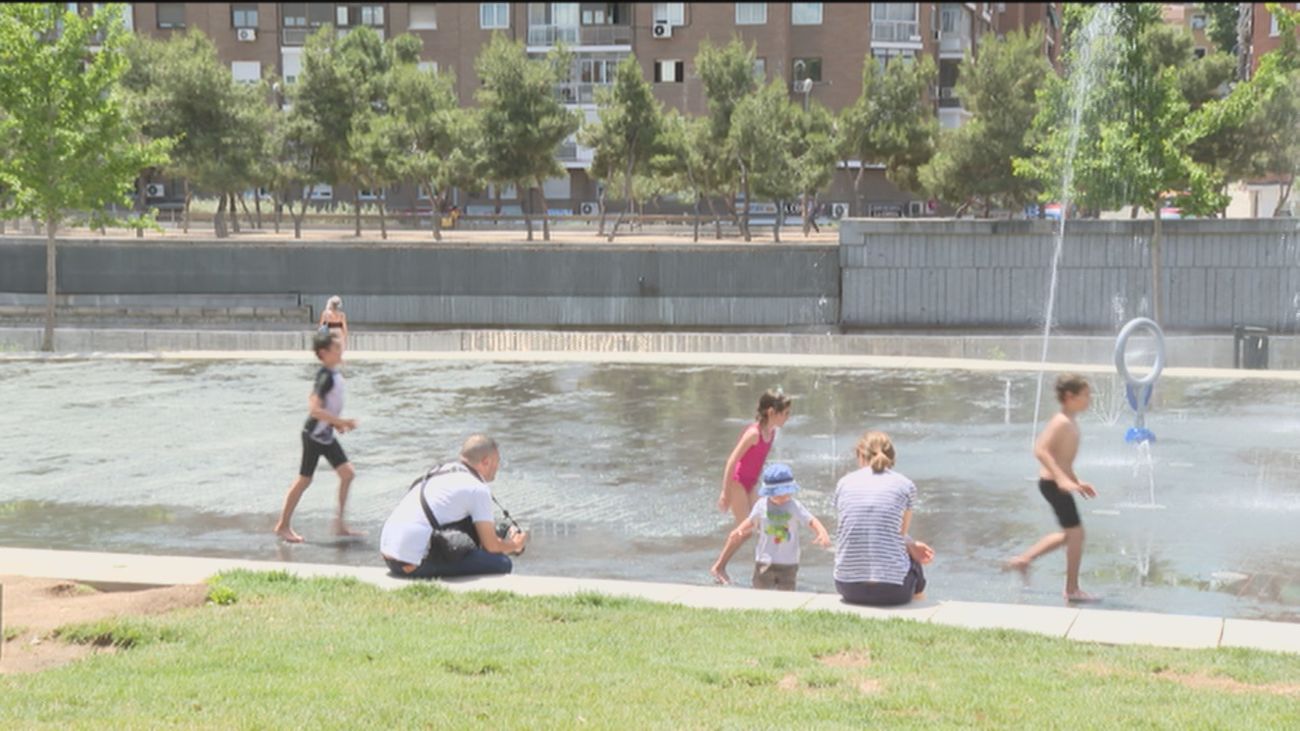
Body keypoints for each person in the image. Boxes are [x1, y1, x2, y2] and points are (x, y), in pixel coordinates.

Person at [380, 434, 528, 579]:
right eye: (497, 461)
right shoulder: (477, 488)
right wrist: (514, 545)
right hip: (410, 564)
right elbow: (491, 546)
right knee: (502, 563)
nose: (498, 467)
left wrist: (503, 531)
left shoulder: (442, 470)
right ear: (486, 461)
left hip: (389, 556)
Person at [1006, 373, 1099, 603]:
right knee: (1076, 534)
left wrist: (1076, 482)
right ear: (1070, 396)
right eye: (1085, 395)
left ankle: (1024, 560)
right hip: (1052, 484)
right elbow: (1040, 449)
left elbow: (1063, 459)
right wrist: (1061, 480)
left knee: (1070, 534)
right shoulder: (1061, 422)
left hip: (1057, 483)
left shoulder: (1070, 421)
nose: (1090, 399)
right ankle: (1072, 589)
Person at [273, 332, 362, 543]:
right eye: (336, 349)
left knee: (347, 474)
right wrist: (340, 422)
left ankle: (340, 524)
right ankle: (282, 525)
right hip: (313, 436)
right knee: (304, 479)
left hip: (325, 435)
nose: (341, 352)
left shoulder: (334, 375)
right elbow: (314, 409)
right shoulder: (325, 377)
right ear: (324, 353)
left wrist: (335, 424)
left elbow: (327, 409)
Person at [833, 431, 934, 607]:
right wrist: (912, 546)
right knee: (914, 562)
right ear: (892, 458)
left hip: (847, 587)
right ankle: (919, 606)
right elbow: (900, 534)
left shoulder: (844, 483)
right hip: (893, 591)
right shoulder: (905, 485)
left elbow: (850, 527)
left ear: (859, 455)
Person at [710, 463, 830, 590]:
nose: (782, 498)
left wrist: (821, 532)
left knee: (787, 592)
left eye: (785, 494)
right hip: (764, 560)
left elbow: (811, 520)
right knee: (761, 590)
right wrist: (739, 530)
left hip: (789, 562)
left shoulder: (794, 506)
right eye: (777, 495)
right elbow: (750, 521)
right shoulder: (761, 505)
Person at [718, 389, 793, 529]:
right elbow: (731, 461)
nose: (788, 417)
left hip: (751, 484)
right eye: (785, 413)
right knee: (745, 529)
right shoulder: (753, 434)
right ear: (771, 412)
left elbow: (758, 461)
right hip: (737, 483)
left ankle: (760, 551)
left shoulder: (771, 433)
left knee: (763, 524)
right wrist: (725, 492)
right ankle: (725, 551)